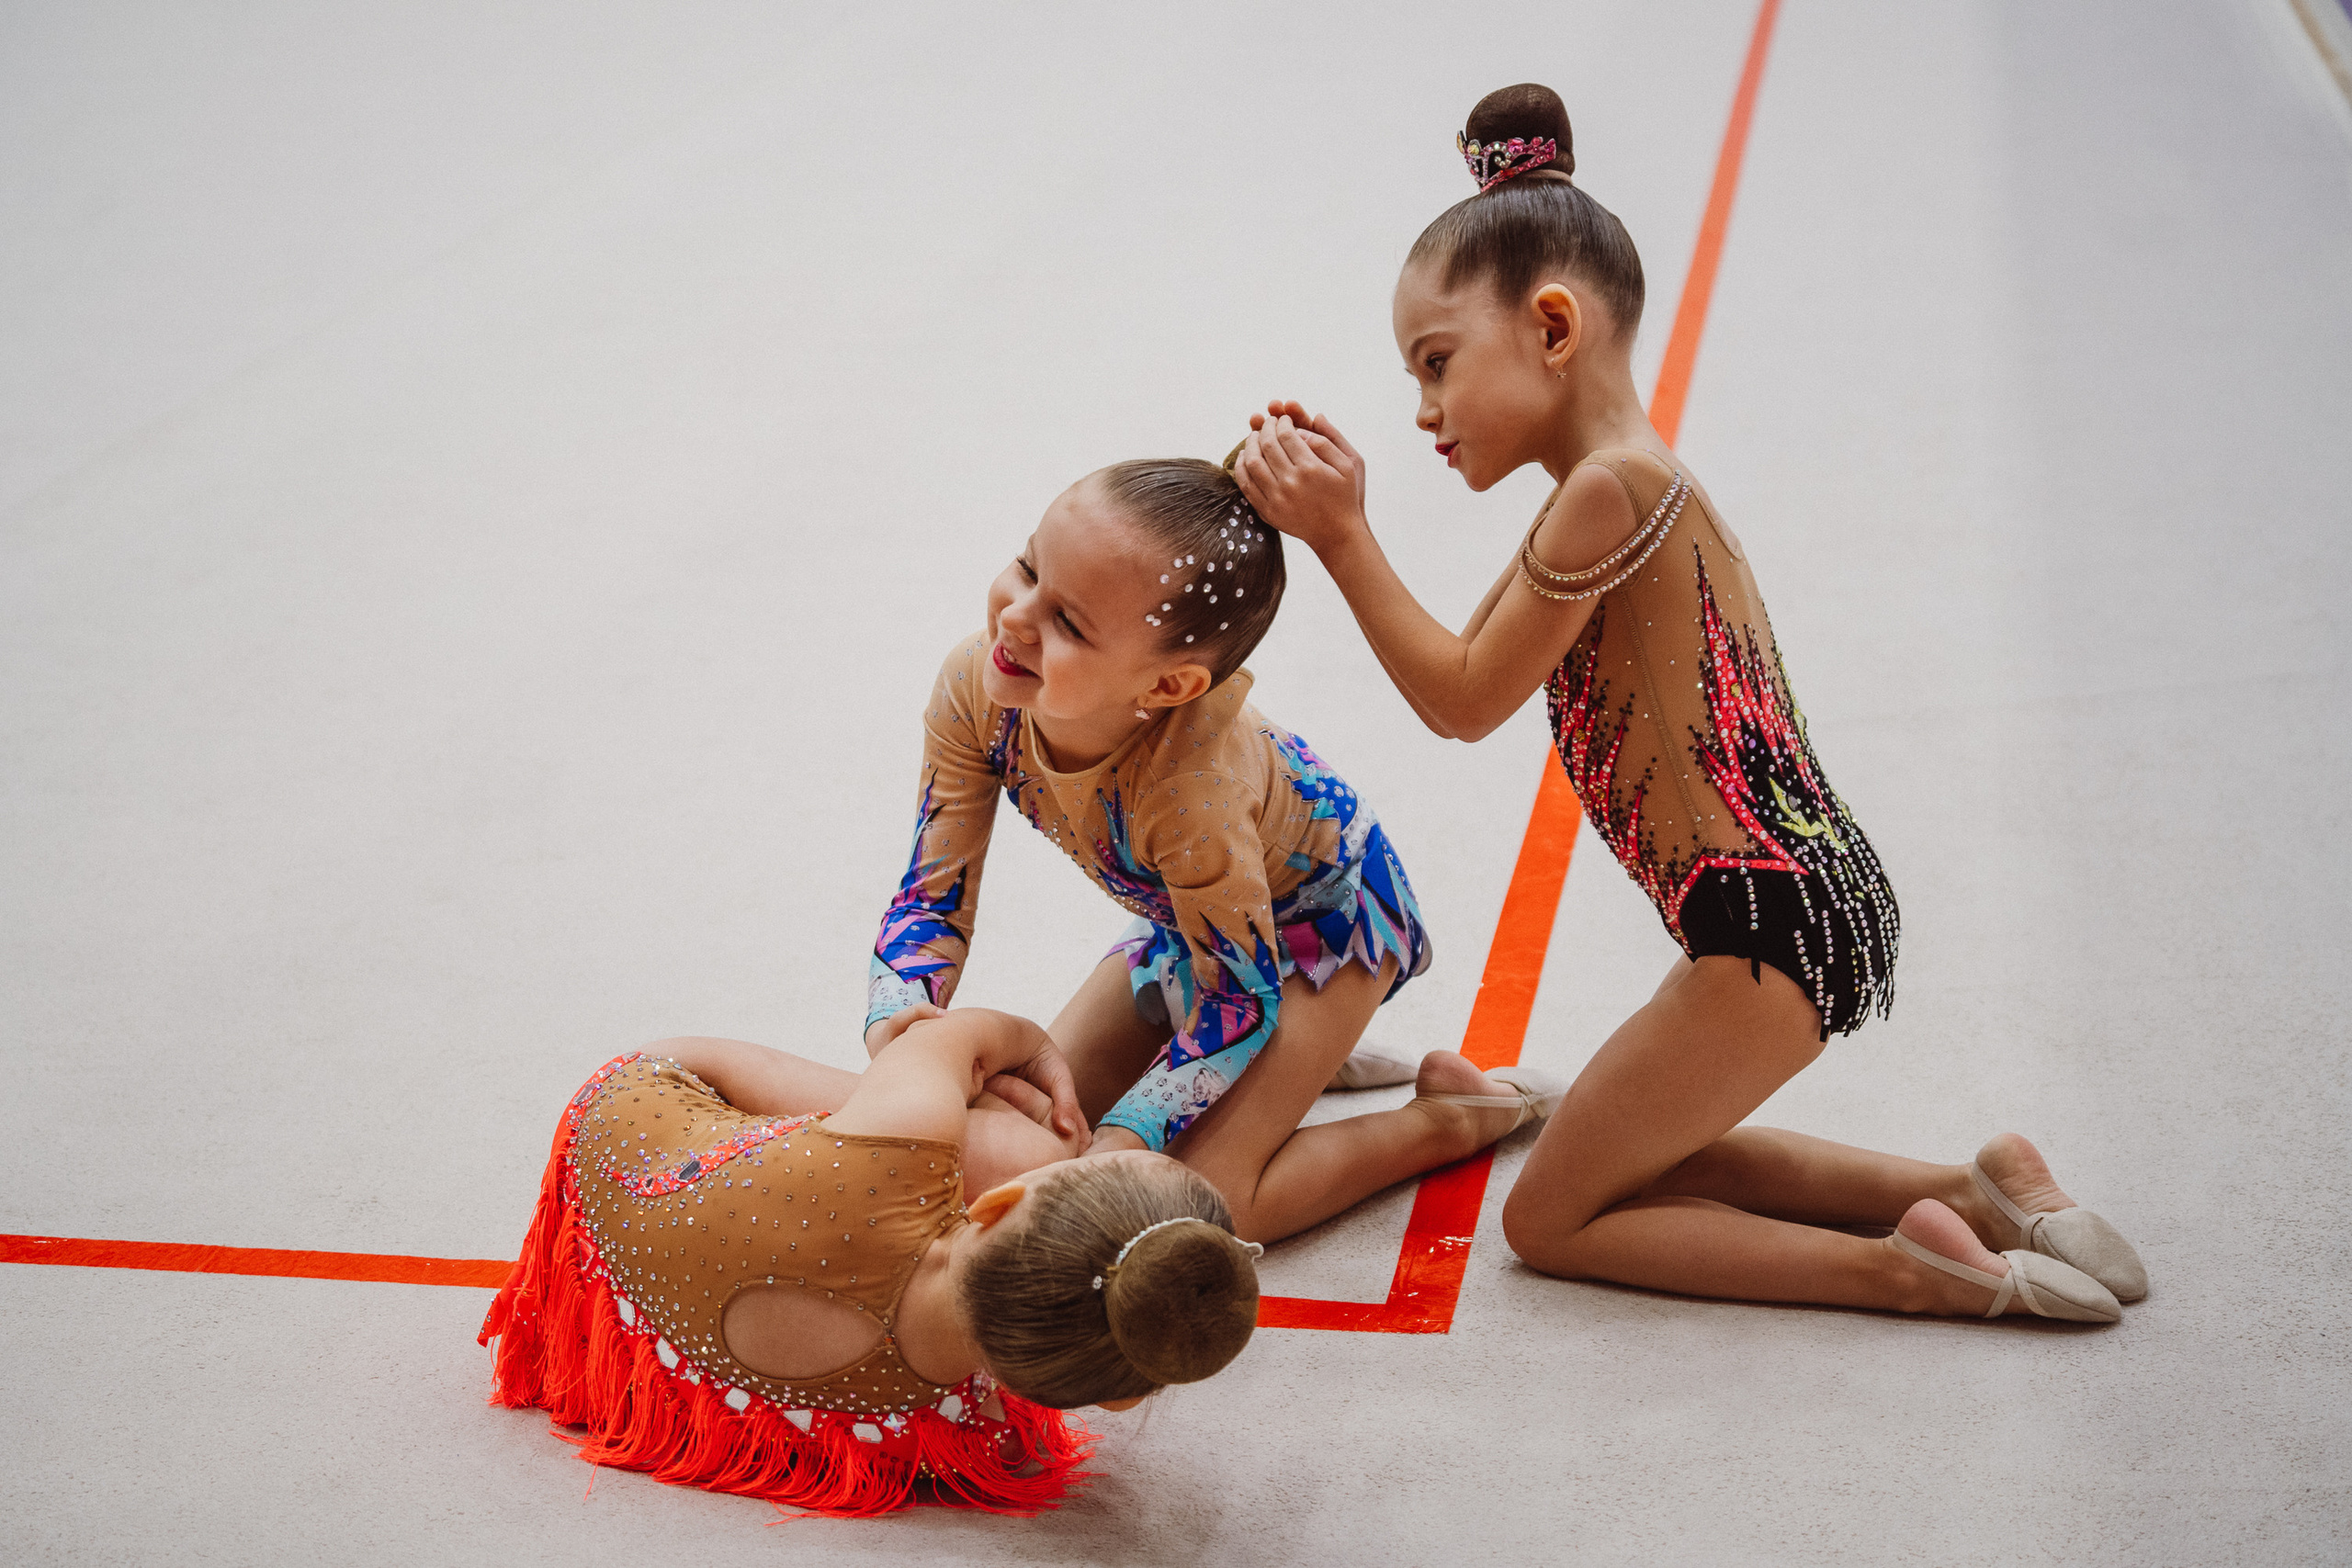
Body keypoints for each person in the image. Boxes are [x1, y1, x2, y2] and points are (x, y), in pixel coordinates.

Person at [1230, 83, 2146, 1323]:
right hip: (1791, 896)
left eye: (1437, 362)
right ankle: (1980, 1190)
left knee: (1548, 1218)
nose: (1423, 408)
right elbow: (1465, 656)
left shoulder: (1611, 492)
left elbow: (1462, 697)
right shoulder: (1608, 484)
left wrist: (1340, 535)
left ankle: (1916, 1271)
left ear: (1553, 326)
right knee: (1640, 1152)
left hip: (1767, 918)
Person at [866, 455, 1555, 1243]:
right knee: (1027, 1144)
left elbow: (1238, 998)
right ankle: (1300, 1070)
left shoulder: (1193, 793)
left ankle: (1451, 1117)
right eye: (1028, 567)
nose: (1016, 617)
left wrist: (1125, 1143)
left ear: (1167, 689)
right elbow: (930, 896)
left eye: (1069, 623)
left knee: (1192, 1197)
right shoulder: (974, 689)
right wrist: (904, 1027)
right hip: (1191, 925)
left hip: (1325, 929)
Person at [480, 1005, 1259, 1516]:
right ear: (1113, 1399)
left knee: (1012, 1133)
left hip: (630, 1130)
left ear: (994, 1205)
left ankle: (937, 1116)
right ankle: (1391, 1134)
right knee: (972, 1136)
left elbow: (952, 1037)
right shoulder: (966, 1418)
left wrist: (1033, 1050)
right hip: (691, 1226)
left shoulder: (910, 1137)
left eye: (1090, 1163)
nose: (1086, 1148)